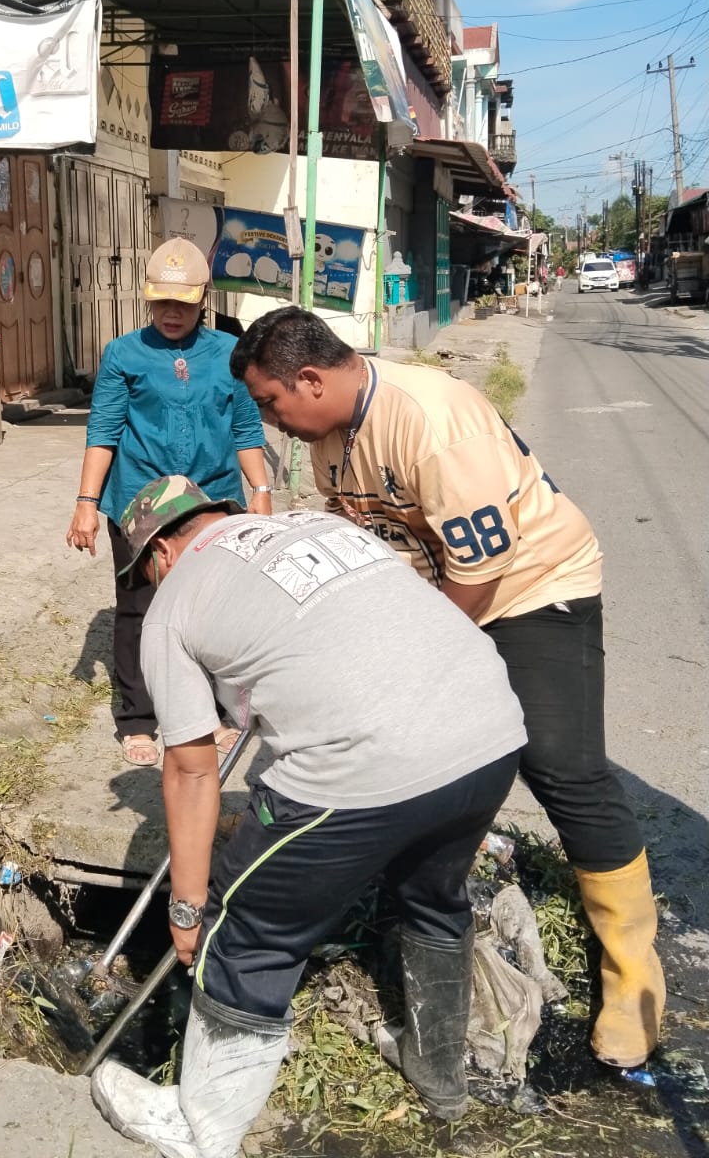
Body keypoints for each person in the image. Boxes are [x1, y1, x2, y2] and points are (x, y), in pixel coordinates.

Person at [229, 307, 665, 1071]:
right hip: (442, 591)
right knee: (412, 750)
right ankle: (416, 892)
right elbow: (370, 542)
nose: (270, 419)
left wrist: (420, 656)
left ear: (310, 378)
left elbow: (479, 570)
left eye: (271, 402)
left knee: (563, 766)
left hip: (531, 588)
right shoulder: (328, 435)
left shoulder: (434, 420)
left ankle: (633, 976)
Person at [89, 477, 525, 1158]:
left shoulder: (172, 602)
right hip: (490, 731)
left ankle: (202, 1137)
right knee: (431, 896)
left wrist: (188, 906)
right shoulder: (317, 530)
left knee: (246, 925)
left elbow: (193, 772)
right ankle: (438, 1076)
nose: (149, 583)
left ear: (162, 552)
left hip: (365, 763)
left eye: (144, 571)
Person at [66, 239, 270, 765]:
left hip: (213, 502)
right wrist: (87, 502)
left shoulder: (230, 354)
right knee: (138, 608)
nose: (171, 313)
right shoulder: (124, 353)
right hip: (139, 502)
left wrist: (262, 493)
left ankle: (218, 712)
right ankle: (138, 718)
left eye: (183, 302)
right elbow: (104, 430)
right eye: (161, 301)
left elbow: (246, 428)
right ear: (149, 299)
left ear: (203, 298)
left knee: (215, 610)